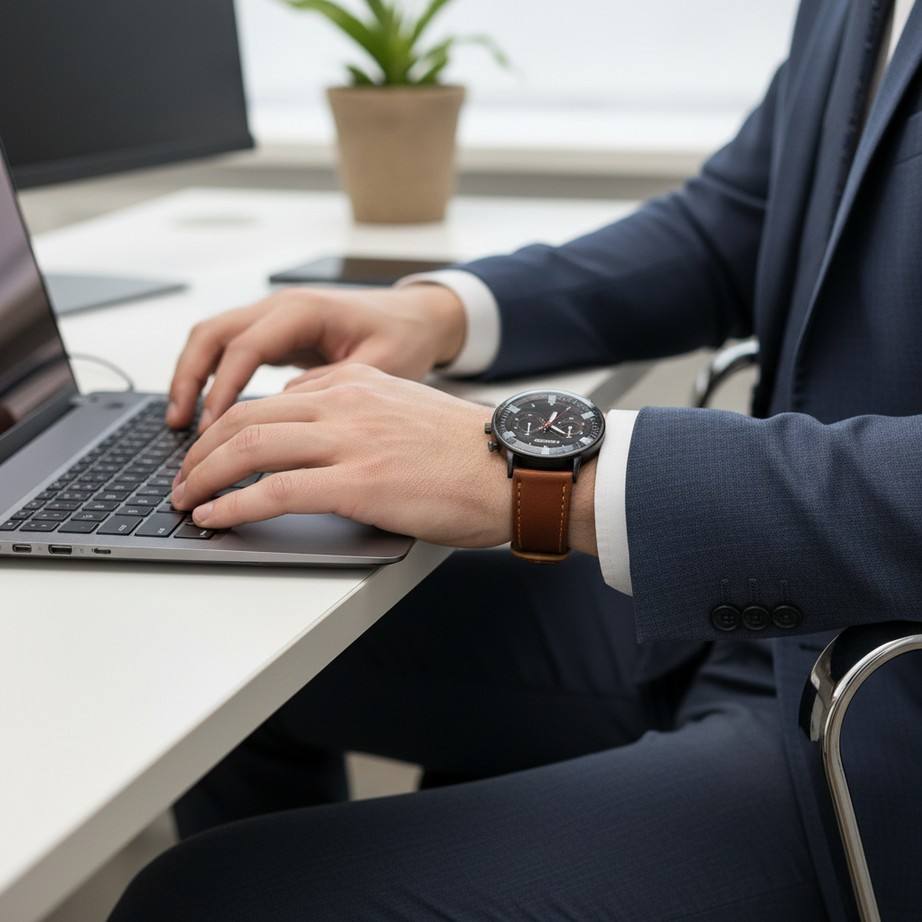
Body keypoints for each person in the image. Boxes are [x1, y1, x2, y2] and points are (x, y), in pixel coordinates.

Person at [108, 0, 922, 919]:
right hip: (752, 619)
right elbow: (735, 222)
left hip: (877, 704)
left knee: (199, 900)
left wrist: (545, 472)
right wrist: (437, 312)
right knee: (241, 654)